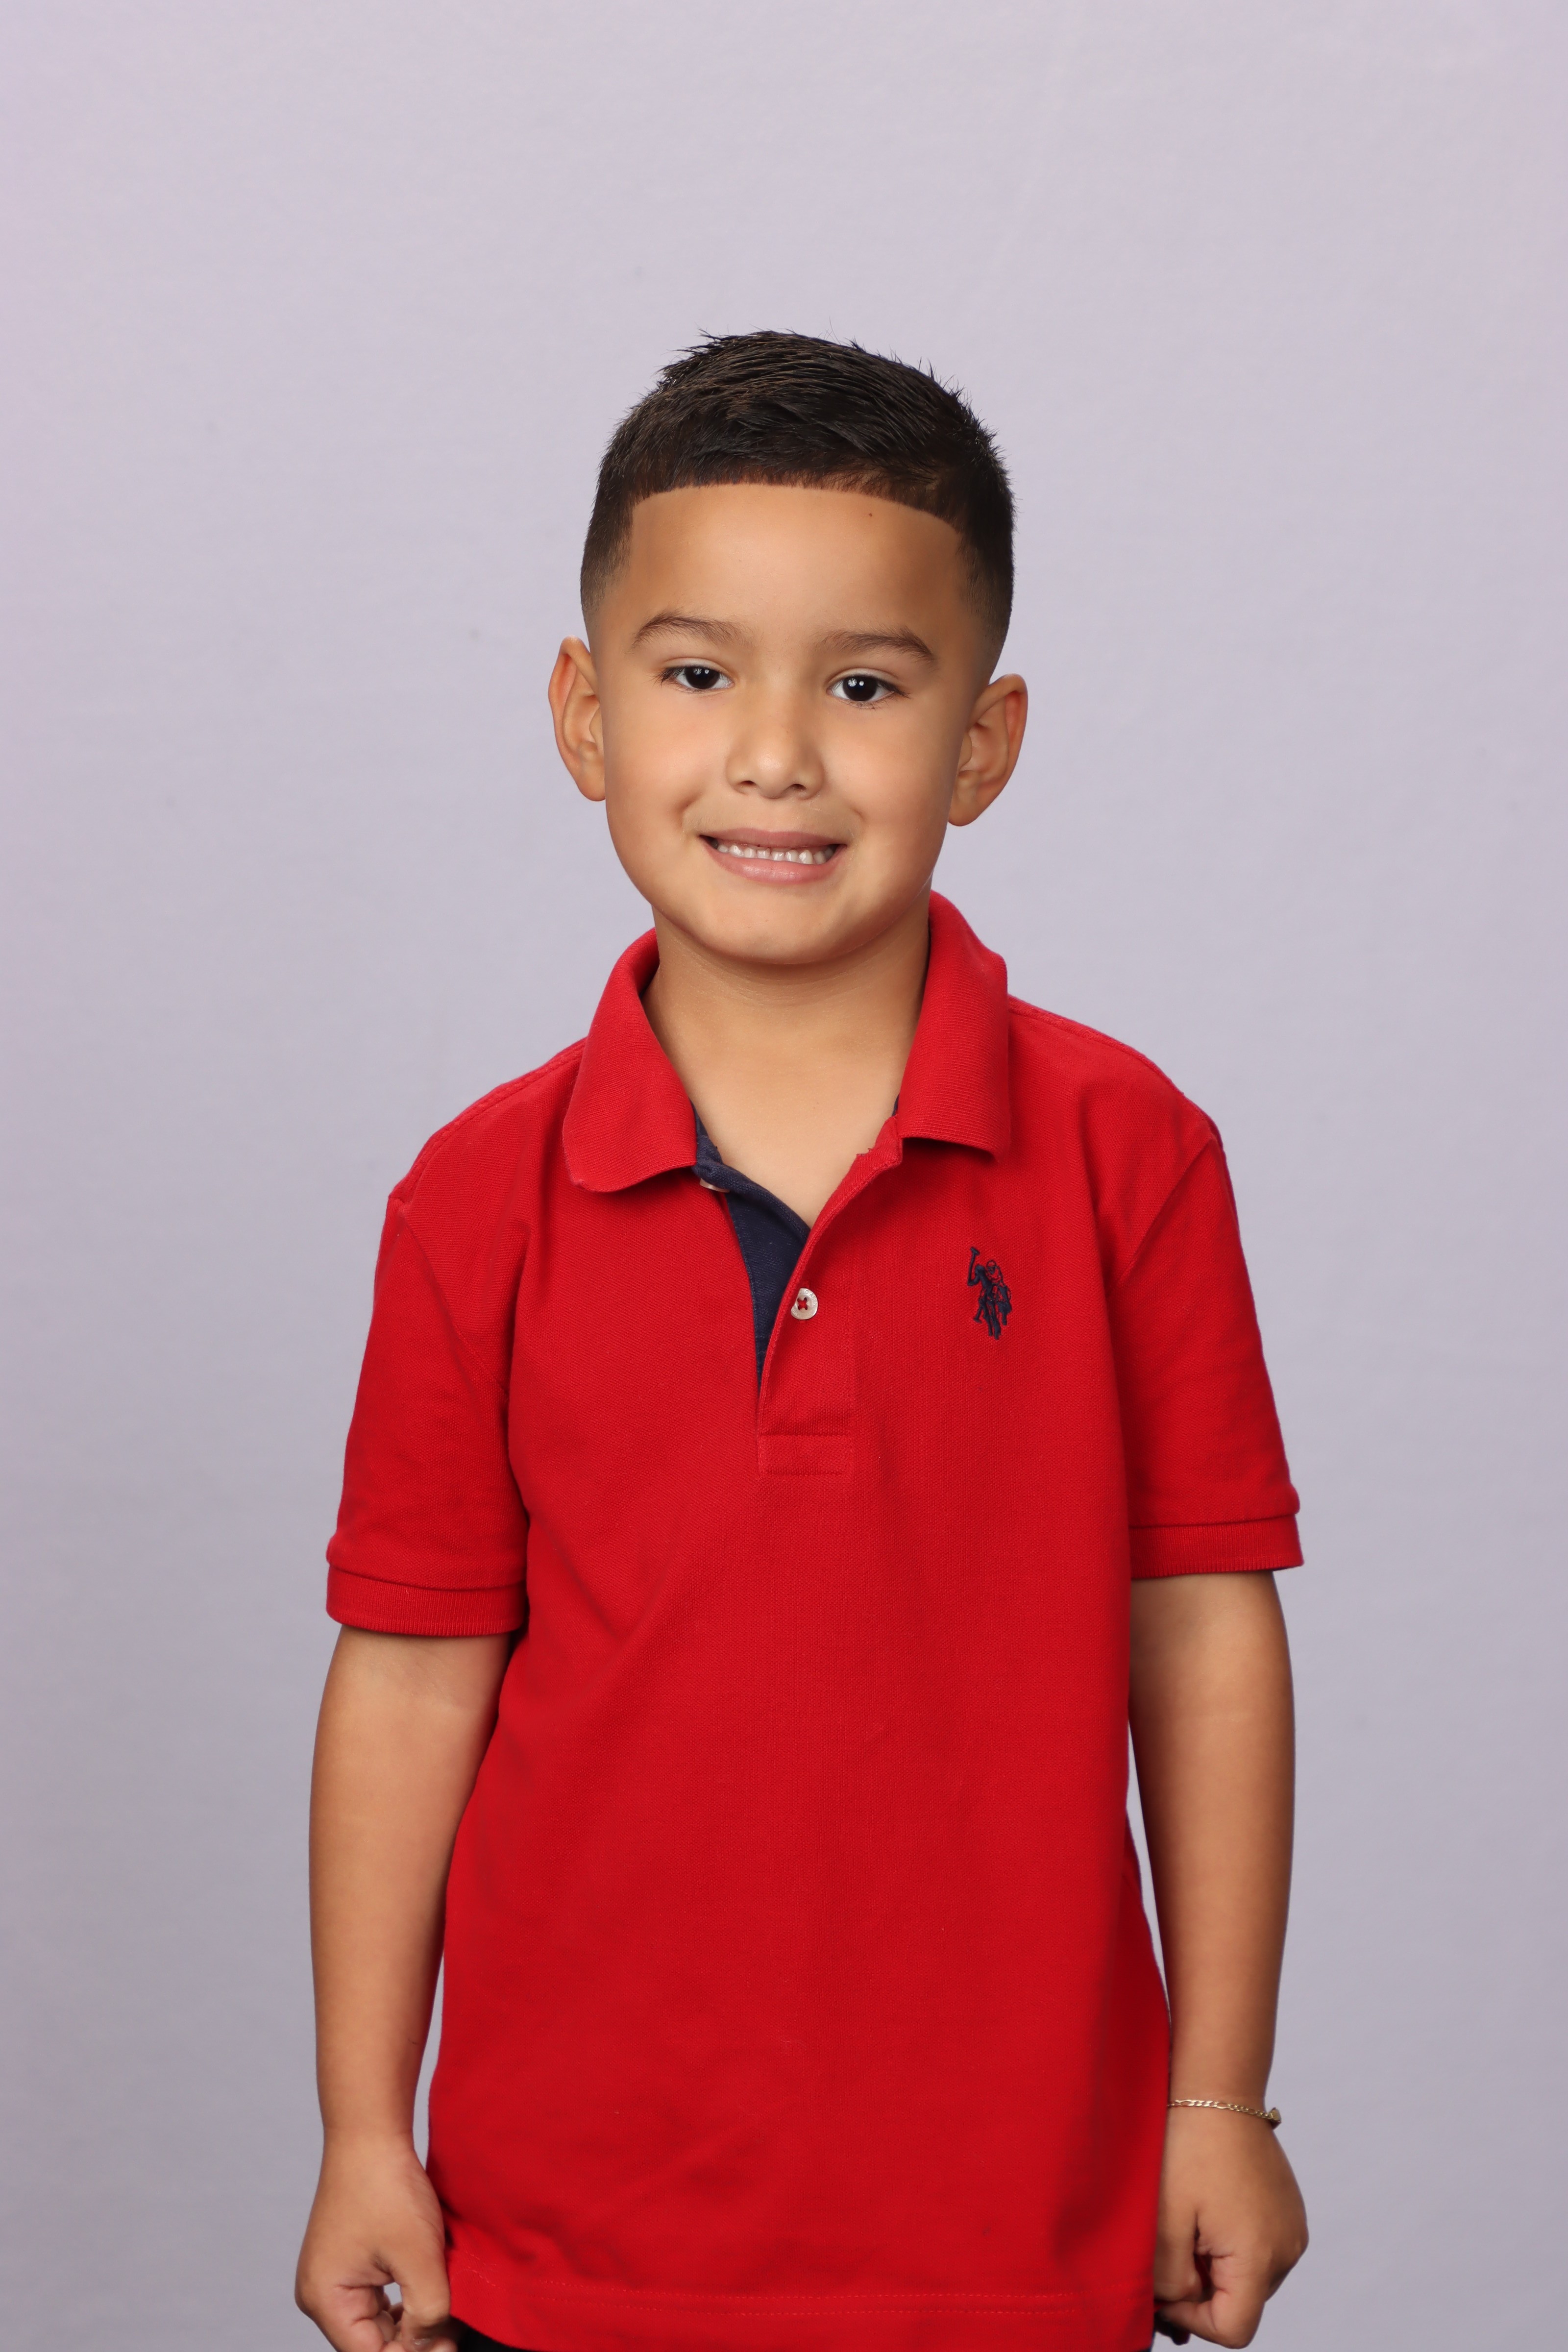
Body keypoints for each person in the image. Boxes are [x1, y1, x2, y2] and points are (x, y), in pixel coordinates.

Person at [294, 332, 1308, 2352]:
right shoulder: (474, 1197)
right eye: (696, 674)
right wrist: (359, 2132)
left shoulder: (1128, 1152)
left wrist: (1217, 2102)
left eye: (863, 686)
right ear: (585, 715)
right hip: (565, 2241)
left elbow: (1200, 1635)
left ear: (982, 745)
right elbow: (410, 1677)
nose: (774, 754)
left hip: (1021, 2235)